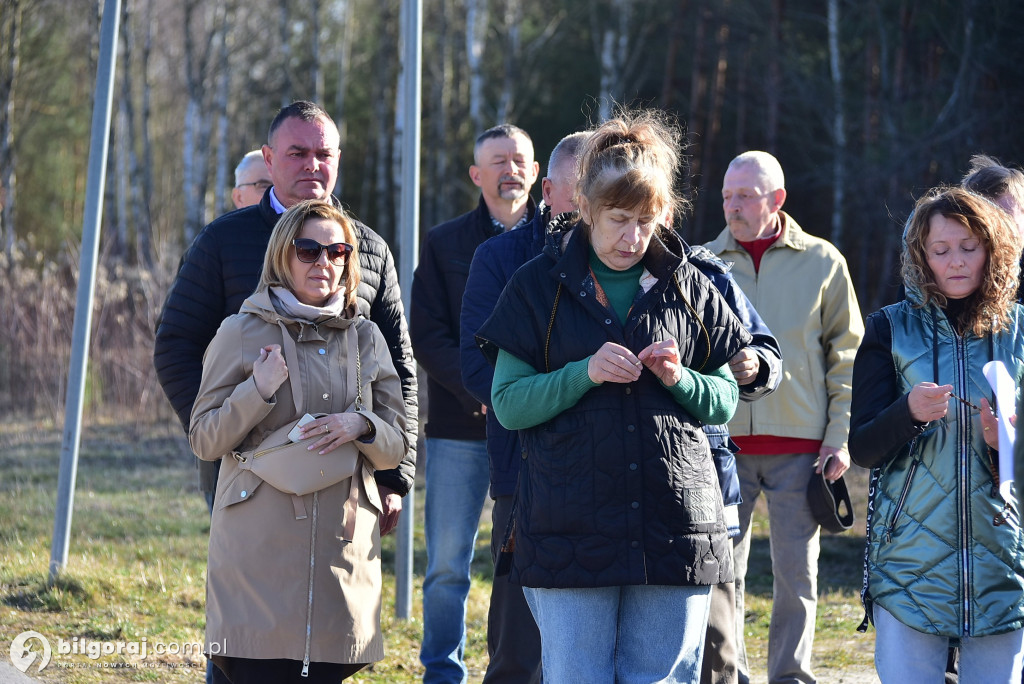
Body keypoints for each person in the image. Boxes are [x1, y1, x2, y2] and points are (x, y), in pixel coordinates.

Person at [460, 131, 783, 684]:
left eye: (646, 220)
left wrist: (682, 379)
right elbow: (508, 404)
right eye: (618, 219)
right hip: (567, 527)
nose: (633, 238)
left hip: (674, 526)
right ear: (584, 207)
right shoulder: (535, 286)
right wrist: (582, 374)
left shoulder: (692, 283)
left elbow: (727, 396)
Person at [154, 100, 416, 532]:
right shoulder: (222, 242)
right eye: (298, 153)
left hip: (345, 480)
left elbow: (400, 367)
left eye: (323, 154)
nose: (312, 165)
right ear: (270, 159)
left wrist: (394, 476)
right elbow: (175, 345)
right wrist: (221, 433)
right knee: (252, 595)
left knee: (333, 595)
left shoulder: (369, 250)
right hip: (244, 475)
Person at [189, 200, 408, 683]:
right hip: (257, 552)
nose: (323, 262)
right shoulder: (241, 331)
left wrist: (361, 426)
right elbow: (205, 439)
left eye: (337, 251)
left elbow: (396, 446)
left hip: (342, 550)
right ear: (282, 256)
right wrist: (258, 390)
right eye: (308, 250)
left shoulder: (368, 337)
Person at [849, 186, 1024, 683]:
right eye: (941, 250)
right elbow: (862, 447)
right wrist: (907, 412)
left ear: (994, 248)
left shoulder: (1021, 332)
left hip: (1003, 560)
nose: (956, 262)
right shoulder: (888, 328)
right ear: (920, 256)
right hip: (909, 563)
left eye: (969, 247)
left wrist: (1005, 445)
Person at [705, 150, 864, 684]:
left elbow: (848, 360)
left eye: (744, 196)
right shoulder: (703, 263)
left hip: (802, 450)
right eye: (727, 195)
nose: (732, 206)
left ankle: (790, 677)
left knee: (797, 576)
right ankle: (727, 677)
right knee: (721, 573)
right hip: (721, 447)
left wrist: (838, 438)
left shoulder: (824, 262)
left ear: (777, 200)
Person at [411, 123, 539, 684]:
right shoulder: (444, 243)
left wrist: (517, 399)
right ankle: (442, 671)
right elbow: (427, 333)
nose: (510, 170)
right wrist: (482, 393)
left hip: (535, 429)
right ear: (476, 175)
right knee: (446, 565)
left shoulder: (562, 240)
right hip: (459, 427)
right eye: (498, 161)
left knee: (530, 561)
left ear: (536, 172)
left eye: (520, 160)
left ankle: (523, 669)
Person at [458, 130, 587, 684]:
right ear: (549, 189)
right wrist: (546, 405)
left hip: (607, 470)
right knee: (517, 647)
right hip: (525, 467)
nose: (591, 202)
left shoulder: (634, 257)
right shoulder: (500, 257)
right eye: (581, 189)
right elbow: (475, 362)